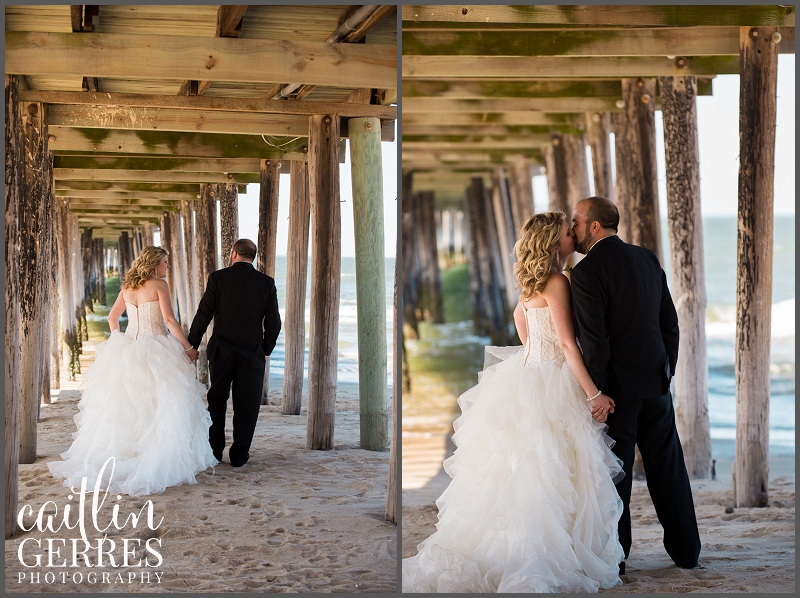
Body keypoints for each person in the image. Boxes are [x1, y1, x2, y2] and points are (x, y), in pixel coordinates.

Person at [402, 211, 625, 593]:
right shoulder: (558, 281)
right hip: (553, 382)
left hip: (528, 374)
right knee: (553, 473)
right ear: (556, 242)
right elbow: (570, 345)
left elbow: (519, 318)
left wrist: (534, 353)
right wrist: (593, 393)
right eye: (568, 234)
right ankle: (548, 559)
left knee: (524, 472)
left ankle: (515, 550)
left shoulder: (530, 281)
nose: (574, 236)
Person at [569, 196, 701, 574]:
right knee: (669, 469)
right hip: (656, 385)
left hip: (617, 395)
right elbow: (669, 324)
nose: (573, 229)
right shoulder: (647, 259)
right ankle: (687, 553)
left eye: (576, 221)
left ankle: (618, 557)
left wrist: (598, 394)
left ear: (594, 226)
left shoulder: (586, 273)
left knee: (616, 476)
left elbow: (597, 342)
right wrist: (665, 371)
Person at [49, 246, 217, 497]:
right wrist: (189, 347)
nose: (167, 267)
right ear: (154, 264)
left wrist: (119, 341)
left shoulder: (127, 287)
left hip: (130, 347)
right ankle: (153, 456)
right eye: (165, 262)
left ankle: (130, 455)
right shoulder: (160, 285)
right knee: (163, 403)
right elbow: (169, 321)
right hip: (157, 348)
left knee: (127, 407)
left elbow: (112, 317)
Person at [187, 239, 281, 468]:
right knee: (247, 405)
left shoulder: (218, 278)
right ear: (253, 256)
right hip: (252, 354)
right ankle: (239, 456)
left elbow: (203, 315)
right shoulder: (266, 283)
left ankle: (215, 452)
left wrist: (191, 345)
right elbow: (274, 324)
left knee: (217, 401)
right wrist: (264, 350)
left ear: (234, 253)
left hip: (222, 351)